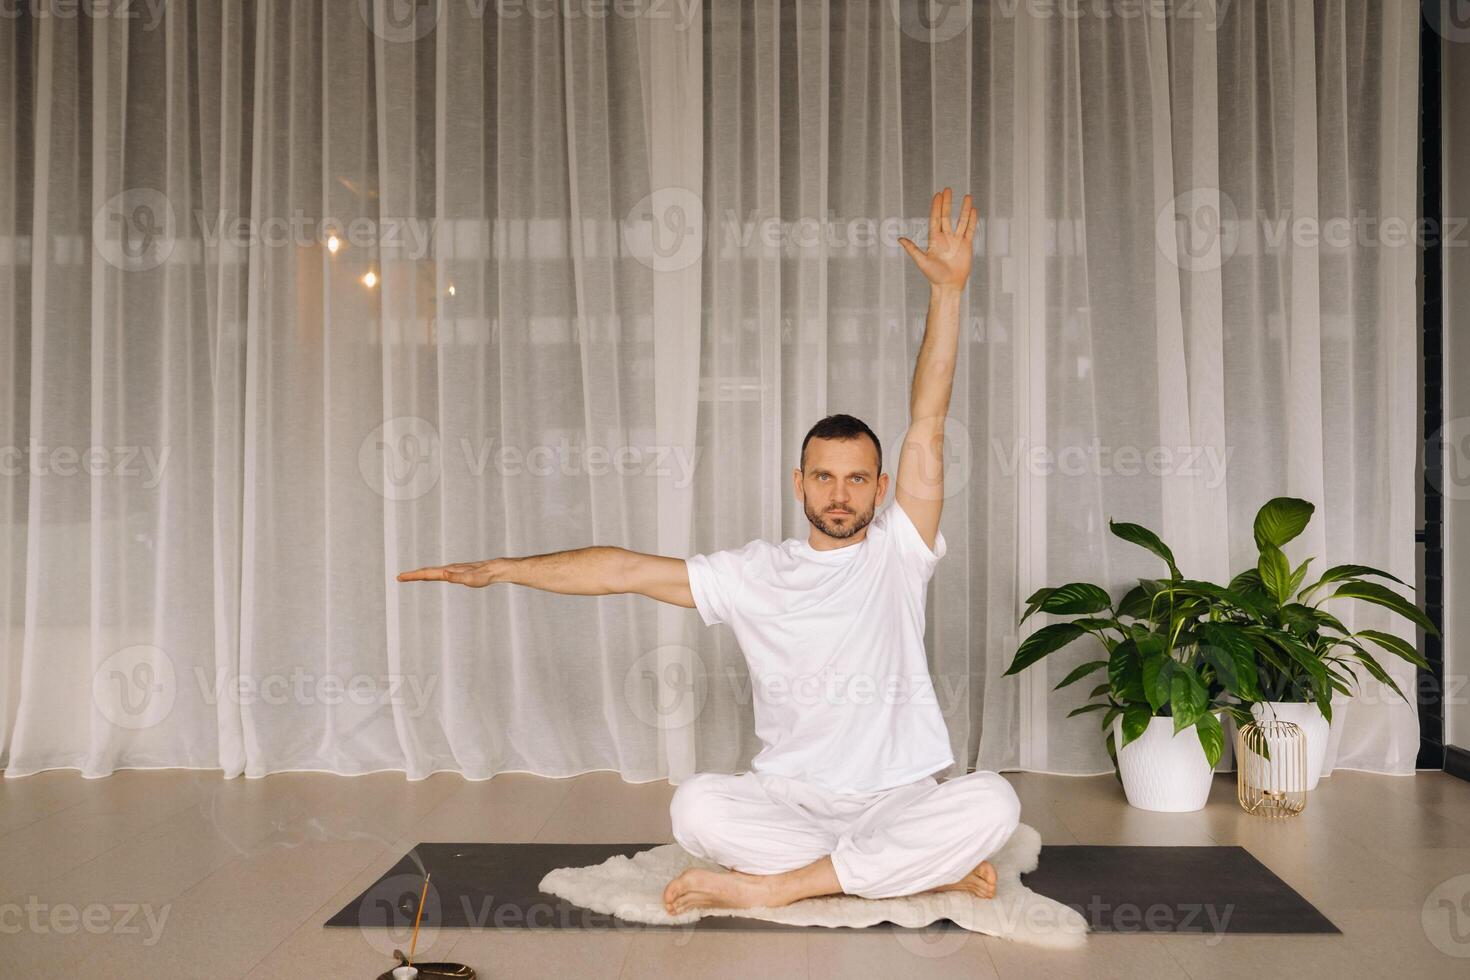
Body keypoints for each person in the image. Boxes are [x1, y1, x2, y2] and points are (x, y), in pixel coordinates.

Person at [398, 188, 1021, 916]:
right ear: (800, 484)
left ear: (883, 486)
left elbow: (929, 416)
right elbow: (624, 570)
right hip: (793, 802)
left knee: (993, 801)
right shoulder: (754, 573)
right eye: (825, 477)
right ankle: (908, 872)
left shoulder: (901, 553)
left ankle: (789, 884)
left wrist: (948, 292)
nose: (841, 494)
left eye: (857, 479)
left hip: (899, 798)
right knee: (697, 809)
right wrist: (504, 569)